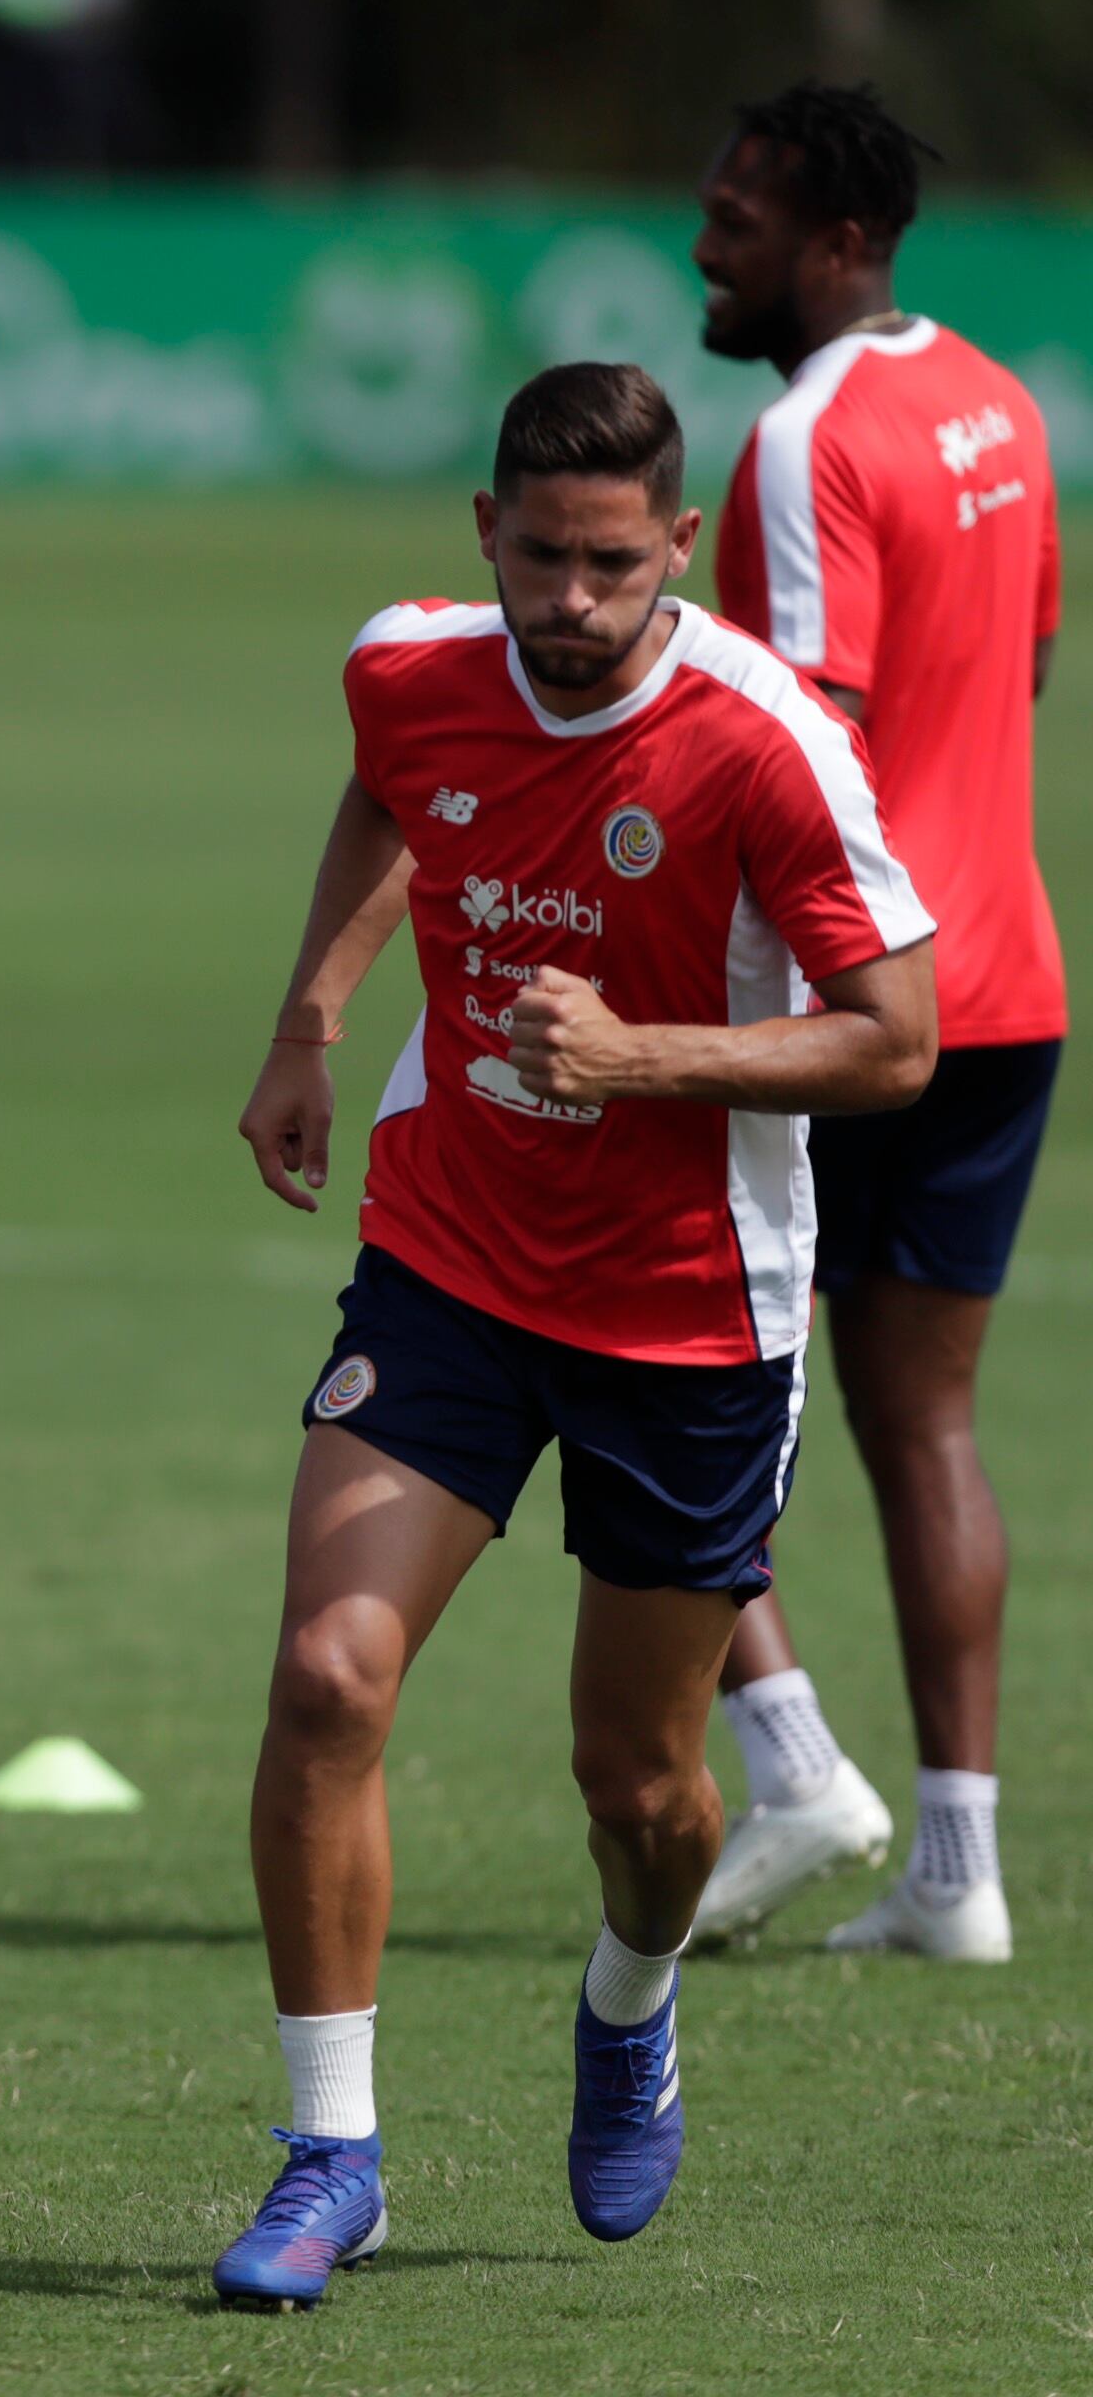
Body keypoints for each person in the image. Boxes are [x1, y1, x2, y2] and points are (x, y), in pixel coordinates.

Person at [214, 364, 935, 2308]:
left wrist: (642, 1059)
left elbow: (898, 1034)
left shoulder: (765, 745)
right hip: (448, 1252)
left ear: (676, 549)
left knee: (641, 1789)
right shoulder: (410, 666)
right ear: (484, 533)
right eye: (537, 556)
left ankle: (632, 1996)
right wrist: (313, 1016)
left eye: (611, 565)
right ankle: (328, 2151)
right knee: (327, 1678)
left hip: (690, 1310)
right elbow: (393, 784)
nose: (570, 600)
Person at [685, 81, 1063, 1962]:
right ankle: (959, 1871)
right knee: (930, 1428)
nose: (706, 243)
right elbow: (1034, 667)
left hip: (852, 1000)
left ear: (838, 238)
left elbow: (801, 735)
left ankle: (790, 1761)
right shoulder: (1000, 398)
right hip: (1011, 984)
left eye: (740, 218)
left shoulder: (800, 438)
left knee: (638, 1358)